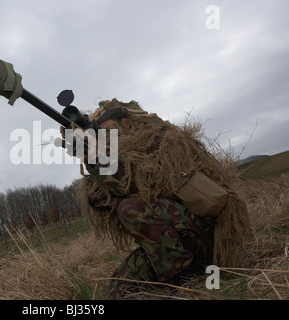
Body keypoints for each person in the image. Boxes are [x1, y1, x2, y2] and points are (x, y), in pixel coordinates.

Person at [72, 99, 250, 295]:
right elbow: (100, 200)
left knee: (131, 208)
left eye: (106, 130)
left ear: (125, 121)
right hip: (171, 244)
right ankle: (176, 269)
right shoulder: (118, 156)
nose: (105, 137)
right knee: (119, 289)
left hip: (205, 237)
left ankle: (184, 280)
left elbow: (133, 186)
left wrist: (97, 158)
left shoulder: (162, 141)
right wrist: (90, 156)